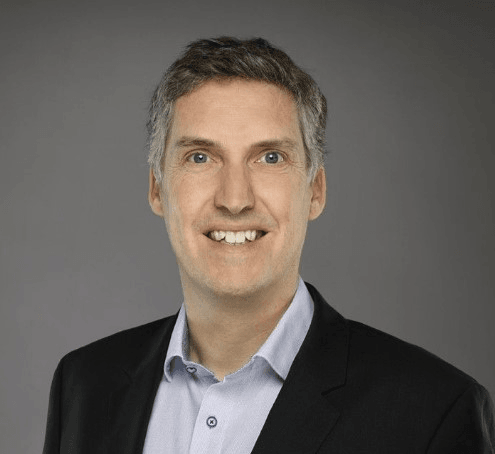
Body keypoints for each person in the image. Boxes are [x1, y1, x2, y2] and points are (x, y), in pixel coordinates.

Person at [42, 36, 495, 454]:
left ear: (315, 190)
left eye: (270, 157)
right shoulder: (83, 385)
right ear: (157, 190)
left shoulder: (434, 412)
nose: (234, 199)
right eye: (200, 157)